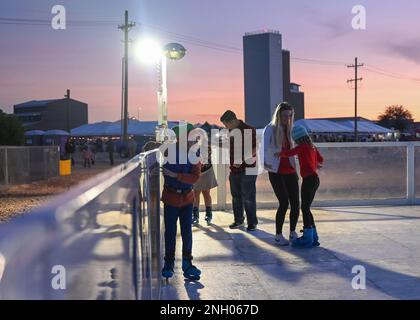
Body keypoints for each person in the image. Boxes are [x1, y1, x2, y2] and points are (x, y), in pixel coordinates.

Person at [161, 123, 202, 281]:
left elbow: (195, 177)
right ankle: (169, 264)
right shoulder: (169, 151)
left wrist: (176, 175)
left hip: (187, 198)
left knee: (187, 231)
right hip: (171, 198)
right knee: (170, 232)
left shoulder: (195, 153)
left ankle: (187, 263)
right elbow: (165, 170)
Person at [279, 125, 324, 248]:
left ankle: (308, 238)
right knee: (306, 208)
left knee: (304, 208)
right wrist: (315, 165)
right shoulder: (312, 147)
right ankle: (313, 236)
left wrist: (279, 154)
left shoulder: (302, 147)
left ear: (297, 138)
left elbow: (289, 153)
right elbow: (321, 159)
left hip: (309, 180)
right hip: (315, 179)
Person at [263, 102, 300, 246]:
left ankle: (292, 232)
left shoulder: (290, 129)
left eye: (290, 116)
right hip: (276, 171)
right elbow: (264, 149)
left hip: (290, 171)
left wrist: (296, 170)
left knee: (296, 203)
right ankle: (278, 235)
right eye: (285, 115)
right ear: (279, 115)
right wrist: (267, 164)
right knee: (284, 202)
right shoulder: (270, 129)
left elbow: (294, 151)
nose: (287, 118)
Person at [220, 110, 258, 231]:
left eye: (226, 124)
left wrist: (241, 159)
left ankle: (252, 222)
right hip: (234, 170)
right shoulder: (230, 131)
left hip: (248, 169)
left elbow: (254, 148)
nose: (226, 127)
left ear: (232, 121)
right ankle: (239, 220)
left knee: (249, 197)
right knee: (236, 196)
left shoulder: (249, 129)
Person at [192, 130, 218, 225]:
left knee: (206, 193)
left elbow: (205, 158)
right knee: (195, 193)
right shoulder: (192, 146)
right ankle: (195, 216)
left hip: (206, 171)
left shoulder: (208, 146)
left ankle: (208, 214)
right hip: (197, 171)